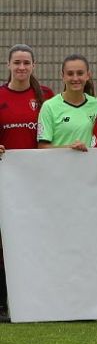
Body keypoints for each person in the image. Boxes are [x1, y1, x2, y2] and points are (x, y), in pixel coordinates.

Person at [0, 44, 53, 321]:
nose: (21, 68)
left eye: (26, 63)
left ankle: (40, 299)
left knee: (37, 238)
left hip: (39, 183)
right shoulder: (0, 96)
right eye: (17, 63)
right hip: (7, 182)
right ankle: (3, 302)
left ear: (33, 66)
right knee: (5, 241)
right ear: (8, 65)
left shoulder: (45, 96)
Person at [36, 54, 97, 152]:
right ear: (62, 76)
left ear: (88, 75)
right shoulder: (49, 106)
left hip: (90, 166)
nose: (75, 78)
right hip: (59, 166)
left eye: (80, 73)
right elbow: (42, 147)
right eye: (70, 74)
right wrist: (70, 149)